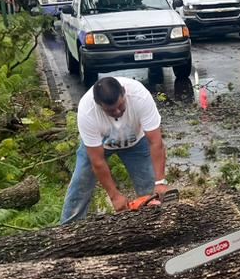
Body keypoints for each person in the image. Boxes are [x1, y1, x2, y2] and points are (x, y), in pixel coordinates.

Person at [60, 76, 170, 224]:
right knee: (80, 186)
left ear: (124, 93)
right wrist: (114, 196)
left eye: (121, 105)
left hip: (136, 143)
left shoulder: (139, 96)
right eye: (111, 110)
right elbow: (97, 161)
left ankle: (155, 227)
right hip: (100, 146)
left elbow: (156, 142)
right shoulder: (87, 110)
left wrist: (160, 181)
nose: (118, 111)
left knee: (151, 191)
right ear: (99, 105)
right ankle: (68, 231)